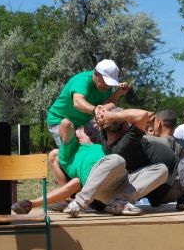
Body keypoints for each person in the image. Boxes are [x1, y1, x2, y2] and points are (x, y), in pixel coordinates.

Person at [64, 107, 176, 217]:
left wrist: (108, 114)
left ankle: (120, 202)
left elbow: (142, 115)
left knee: (162, 169)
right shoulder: (115, 137)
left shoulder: (125, 136)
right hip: (99, 185)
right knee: (117, 159)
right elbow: (142, 115)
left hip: (119, 188)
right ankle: (79, 202)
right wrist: (107, 114)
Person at [46, 59, 130, 188]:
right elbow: (78, 102)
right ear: (96, 73)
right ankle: (66, 195)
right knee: (72, 155)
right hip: (60, 120)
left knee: (100, 148)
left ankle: (101, 183)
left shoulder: (106, 87)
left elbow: (109, 102)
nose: (106, 87)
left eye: (110, 84)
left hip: (83, 121)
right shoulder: (82, 80)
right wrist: (95, 110)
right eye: (105, 82)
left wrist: (119, 93)